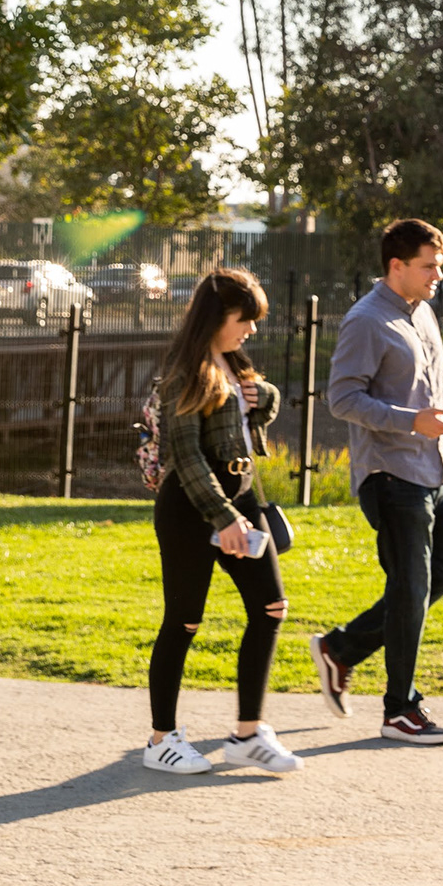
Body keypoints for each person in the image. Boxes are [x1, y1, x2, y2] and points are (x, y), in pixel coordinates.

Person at [307, 218, 443, 744]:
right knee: (409, 589)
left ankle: (341, 649)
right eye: (429, 266)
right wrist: (410, 421)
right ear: (397, 265)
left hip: (431, 471)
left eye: (440, 266)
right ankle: (400, 710)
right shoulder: (365, 321)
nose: (437, 276)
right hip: (390, 474)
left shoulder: (423, 313)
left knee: (438, 581)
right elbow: (343, 399)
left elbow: (438, 386)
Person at [143, 267, 301, 776]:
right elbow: (186, 458)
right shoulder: (185, 372)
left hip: (242, 499)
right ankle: (161, 740)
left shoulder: (233, 363)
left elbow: (254, 411)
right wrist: (224, 518)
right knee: (184, 622)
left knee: (271, 608)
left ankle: (248, 735)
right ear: (216, 316)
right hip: (191, 511)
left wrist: (266, 397)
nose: (251, 329)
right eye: (244, 318)